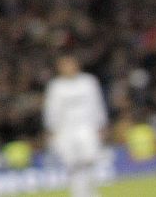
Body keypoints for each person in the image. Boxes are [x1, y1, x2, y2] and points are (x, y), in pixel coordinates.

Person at [44, 54, 108, 197]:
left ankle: (92, 192)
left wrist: (101, 124)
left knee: (90, 160)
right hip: (65, 131)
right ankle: (78, 193)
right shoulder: (56, 87)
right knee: (72, 165)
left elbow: (97, 104)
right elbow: (51, 110)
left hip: (87, 127)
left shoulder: (88, 82)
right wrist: (51, 129)